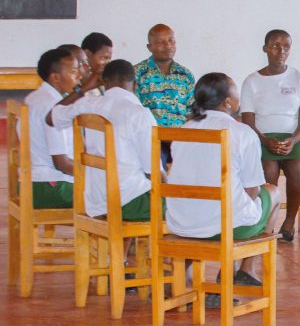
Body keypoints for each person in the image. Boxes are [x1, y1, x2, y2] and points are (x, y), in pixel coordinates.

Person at [165, 73, 280, 298]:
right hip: (226, 227)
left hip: (181, 222)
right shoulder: (242, 132)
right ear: (228, 102)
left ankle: (183, 277)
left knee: (208, 205)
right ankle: (245, 269)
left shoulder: (183, 129)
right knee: (272, 192)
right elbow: (252, 190)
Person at [46, 59, 160, 221]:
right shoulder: (139, 113)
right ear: (135, 85)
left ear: (103, 83)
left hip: (96, 201)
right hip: (130, 201)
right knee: (183, 207)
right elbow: (154, 172)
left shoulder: (88, 104)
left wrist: (82, 90)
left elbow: (51, 118)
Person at [240, 29, 300, 243]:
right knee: (268, 169)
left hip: (295, 138)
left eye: (286, 47)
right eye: (275, 46)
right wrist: (265, 141)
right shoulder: (252, 81)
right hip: (261, 138)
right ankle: (266, 222)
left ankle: (289, 221)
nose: (281, 51)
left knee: (297, 167)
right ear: (265, 48)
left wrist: (293, 140)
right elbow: (248, 122)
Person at [24, 48, 82, 209]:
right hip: (52, 187)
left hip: (31, 183)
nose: (79, 76)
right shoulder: (54, 107)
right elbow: (62, 164)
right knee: (114, 193)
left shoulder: (33, 97)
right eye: (73, 71)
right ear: (55, 77)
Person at [134, 24, 195, 166]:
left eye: (171, 40)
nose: (168, 46)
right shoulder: (138, 73)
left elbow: (192, 112)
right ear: (149, 47)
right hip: (151, 139)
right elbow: (135, 113)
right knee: (157, 167)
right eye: (160, 42)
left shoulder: (185, 75)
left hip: (181, 139)